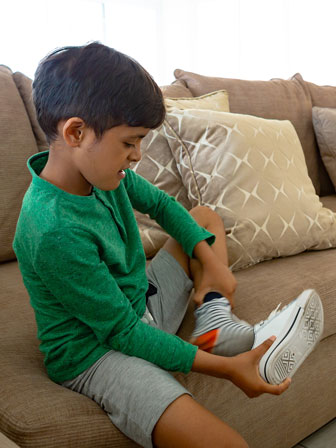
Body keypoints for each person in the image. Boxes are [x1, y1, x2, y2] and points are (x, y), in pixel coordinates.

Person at [13, 42, 323, 448]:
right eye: (130, 142)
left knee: (204, 219)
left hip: (139, 305)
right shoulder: (52, 229)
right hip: (98, 353)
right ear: (76, 132)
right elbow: (123, 334)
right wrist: (228, 368)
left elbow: (160, 204)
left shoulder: (104, 176)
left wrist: (210, 262)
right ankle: (218, 344)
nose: (138, 155)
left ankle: (213, 317)